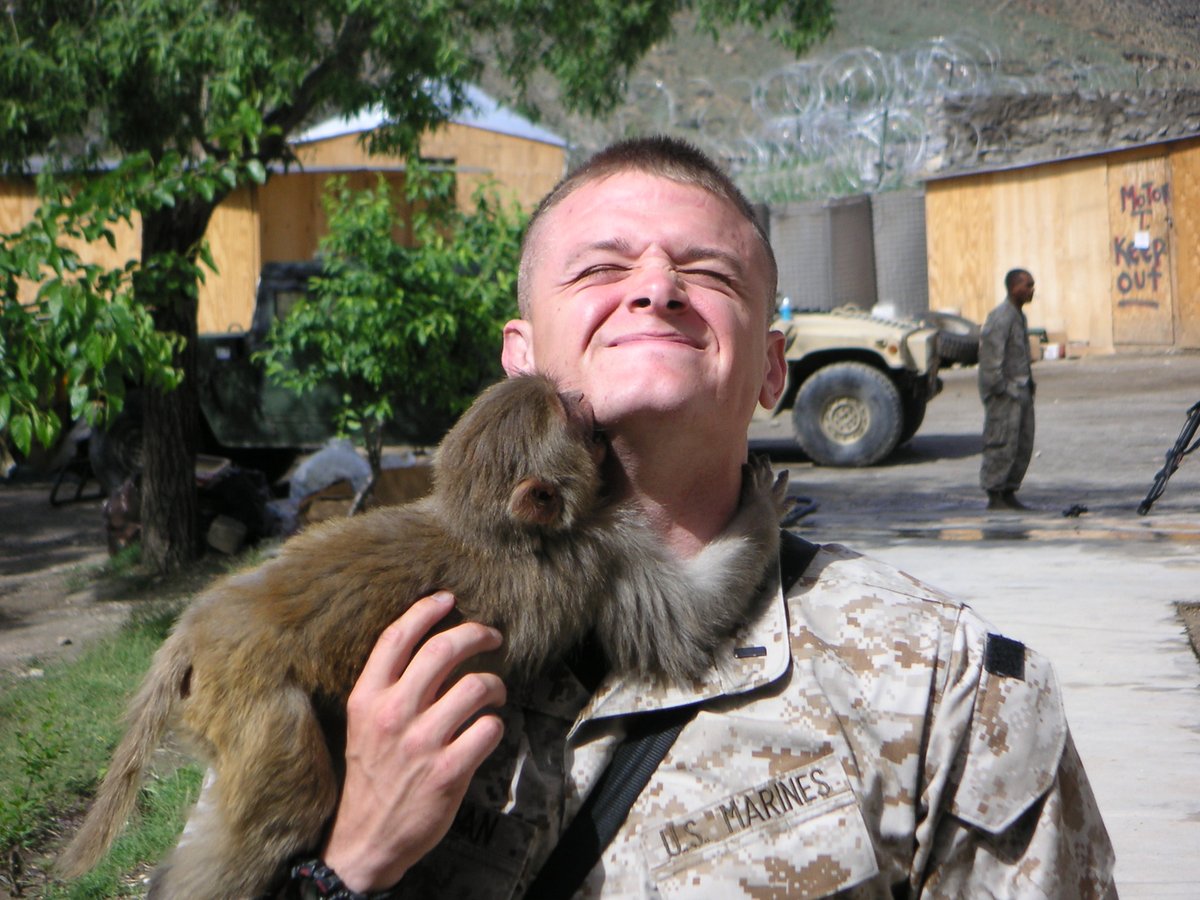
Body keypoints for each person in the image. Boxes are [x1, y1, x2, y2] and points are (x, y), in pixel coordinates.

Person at [283, 141, 1114, 898]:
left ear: (772, 368)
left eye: (709, 274)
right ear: (521, 357)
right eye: (600, 270)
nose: (655, 288)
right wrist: (346, 865)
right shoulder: (348, 621)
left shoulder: (945, 687)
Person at [978, 269, 1037, 511]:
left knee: (1021, 443)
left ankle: (1009, 490)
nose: (1032, 290)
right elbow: (991, 359)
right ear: (1014, 288)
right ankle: (995, 493)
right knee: (1002, 442)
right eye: (1028, 285)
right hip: (1006, 394)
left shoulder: (1018, 316)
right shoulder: (1001, 317)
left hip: (1021, 391)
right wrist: (1001, 389)